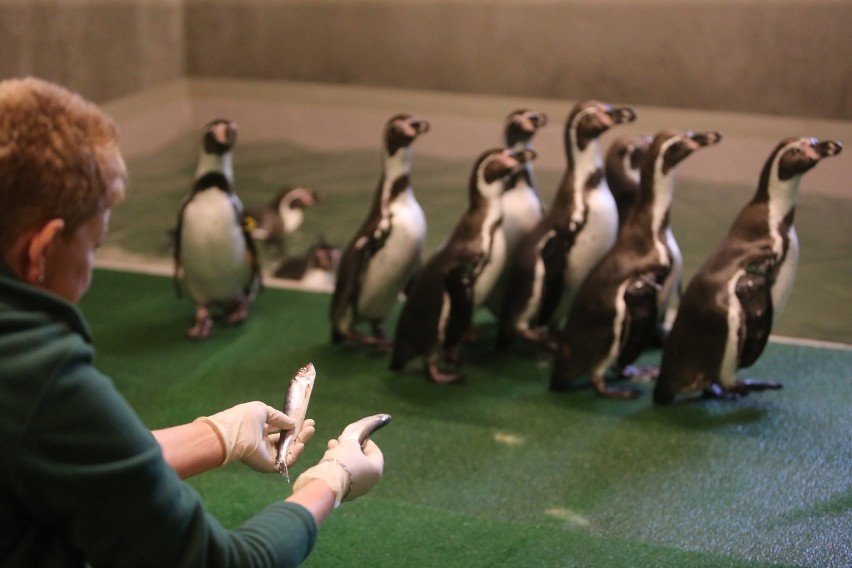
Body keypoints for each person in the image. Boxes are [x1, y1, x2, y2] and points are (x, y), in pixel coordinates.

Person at [0, 76, 385, 567]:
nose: (90, 271)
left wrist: (218, 435)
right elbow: (221, 563)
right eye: (92, 247)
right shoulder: (35, 373)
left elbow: (71, 460)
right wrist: (328, 482)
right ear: (42, 249)